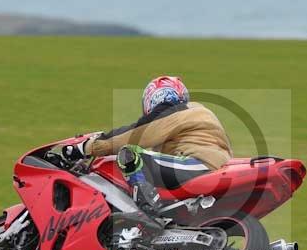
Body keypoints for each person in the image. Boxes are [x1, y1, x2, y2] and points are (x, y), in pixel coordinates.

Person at [49, 76, 232, 216]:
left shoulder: (175, 112)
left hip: (197, 164)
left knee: (131, 154)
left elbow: (134, 135)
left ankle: (145, 211)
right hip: (214, 168)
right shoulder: (196, 114)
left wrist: (87, 147)